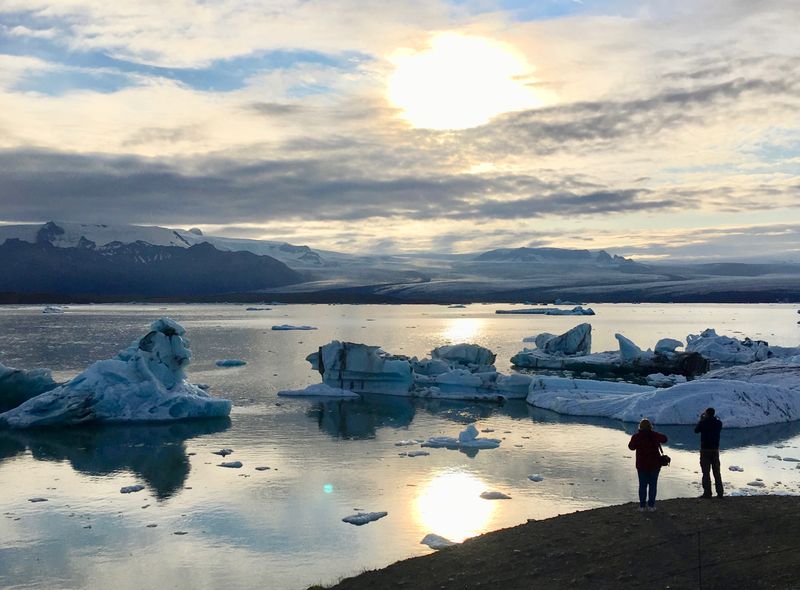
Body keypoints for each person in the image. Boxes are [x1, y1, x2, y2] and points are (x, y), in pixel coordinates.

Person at [628, 418, 668, 512]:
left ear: (640, 427)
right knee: (653, 485)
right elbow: (665, 439)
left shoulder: (636, 436)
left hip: (641, 465)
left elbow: (631, 447)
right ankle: (651, 506)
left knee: (642, 485)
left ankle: (642, 506)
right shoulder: (654, 435)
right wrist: (655, 434)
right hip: (655, 464)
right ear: (650, 426)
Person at [695, 407, 724, 498]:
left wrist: (702, 420)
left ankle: (707, 493)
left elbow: (696, 430)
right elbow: (718, 424)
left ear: (707, 414)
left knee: (706, 472)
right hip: (715, 450)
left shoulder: (703, 423)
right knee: (717, 472)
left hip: (705, 450)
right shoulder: (718, 423)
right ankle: (720, 493)